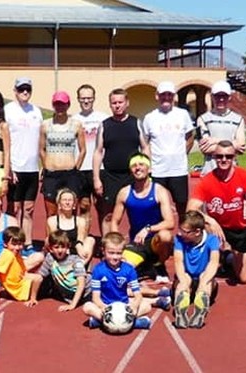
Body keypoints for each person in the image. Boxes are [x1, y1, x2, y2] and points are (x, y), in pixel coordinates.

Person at [187, 140, 246, 284]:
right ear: (214, 157)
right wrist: (210, 220)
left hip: (240, 228)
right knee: (203, 226)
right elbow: (190, 209)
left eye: (228, 156)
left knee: (245, 279)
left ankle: (227, 257)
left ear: (234, 158)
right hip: (217, 228)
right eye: (219, 156)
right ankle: (212, 254)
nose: (224, 160)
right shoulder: (207, 180)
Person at [82, 232, 168, 330]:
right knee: (87, 307)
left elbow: (138, 295)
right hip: (106, 306)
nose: (115, 257)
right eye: (111, 253)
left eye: (118, 253)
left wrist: (134, 307)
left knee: (147, 306)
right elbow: (96, 298)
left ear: (123, 252)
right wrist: (103, 308)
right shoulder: (98, 270)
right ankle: (134, 323)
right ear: (103, 251)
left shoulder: (129, 270)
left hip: (125, 305)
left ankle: (101, 322)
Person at [110, 153, 175, 283]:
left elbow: (170, 222)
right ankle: (144, 265)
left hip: (156, 242)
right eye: (134, 166)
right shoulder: (124, 192)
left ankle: (159, 265)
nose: (137, 168)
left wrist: (148, 229)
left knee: (166, 236)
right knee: (122, 274)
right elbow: (114, 221)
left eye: (141, 165)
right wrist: (116, 244)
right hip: (137, 242)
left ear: (149, 169)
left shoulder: (159, 191)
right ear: (130, 170)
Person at [92, 88, 148, 235]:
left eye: (120, 102)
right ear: (110, 105)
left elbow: (145, 147)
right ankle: (107, 244)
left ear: (127, 103)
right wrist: (96, 178)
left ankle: (137, 244)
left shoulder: (136, 123)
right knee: (108, 214)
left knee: (136, 212)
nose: (117, 105)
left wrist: (147, 169)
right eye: (114, 103)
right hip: (110, 176)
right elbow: (98, 152)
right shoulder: (105, 125)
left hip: (132, 176)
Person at [140, 81, 195, 215]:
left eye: (169, 94)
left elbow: (190, 137)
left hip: (178, 170)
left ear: (173, 96)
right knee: (157, 206)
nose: (166, 98)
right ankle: (158, 234)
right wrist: (149, 164)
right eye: (163, 95)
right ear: (157, 96)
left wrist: (182, 153)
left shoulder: (182, 115)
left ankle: (183, 233)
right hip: (158, 171)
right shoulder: (150, 118)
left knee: (182, 206)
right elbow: (145, 143)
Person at [4, 77, 44, 249]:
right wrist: (9, 168)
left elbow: (42, 140)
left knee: (28, 209)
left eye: (28, 89)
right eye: (21, 89)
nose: (25, 92)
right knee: (15, 209)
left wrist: (42, 165)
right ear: (15, 91)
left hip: (32, 167)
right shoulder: (8, 110)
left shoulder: (37, 111)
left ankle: (27, 243)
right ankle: (13, 241)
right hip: (15, 167)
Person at [39, 90, 86, 216]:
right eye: (57, 104)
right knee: (51, 212)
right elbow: (41, 149)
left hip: (70, 173)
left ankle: (71, 235)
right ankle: (52, 236)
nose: (60, 107)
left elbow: (83, 150)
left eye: (63, 104)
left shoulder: (76, 124)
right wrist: (45, 166)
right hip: (52, 174)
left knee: (71, 211)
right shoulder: (45, 125)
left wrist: (76, 168)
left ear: (68, 105)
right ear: (53, 105)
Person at [0, 227, 44, 309]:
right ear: (5, 244)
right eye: (14, 244)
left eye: (20, 244)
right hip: (21, 291)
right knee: (40, 278)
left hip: (21, 284)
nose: (17, 248)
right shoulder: (8, 256)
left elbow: (20, 271)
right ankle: (32, 299)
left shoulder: (15, 254)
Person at [172, 211, 220, 329]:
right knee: (183, 283)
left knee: (206, 280)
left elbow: (213, 263)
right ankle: (181, 311)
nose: (181, 233)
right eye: (180, 230)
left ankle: (200, 308)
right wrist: (183, 281)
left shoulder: (212, 240)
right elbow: (178, 262)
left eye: (185, 232)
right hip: (187, 274)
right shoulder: (179, 240)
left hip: (203, 276)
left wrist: (203, 283)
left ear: (197, 232)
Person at [196, 80, 246, 176]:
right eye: (217, 96)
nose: (221, 99)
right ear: (212, 97)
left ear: (229, 97)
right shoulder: (202, 119)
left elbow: (241, 146)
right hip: (209, 172)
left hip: (232, 173)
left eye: (224, 96)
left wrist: (215, 140)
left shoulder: (238, 119)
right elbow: (205, 148)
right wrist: (232, 144)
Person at [72, 84, 108, 217]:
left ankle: (105, 237)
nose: (86, 101)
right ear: (78, 99)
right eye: (83, 98)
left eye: (89, 98)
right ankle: (83, 236)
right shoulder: (73, 120)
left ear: (94, 98)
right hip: (81, 169)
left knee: (102, 206)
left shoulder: (103, 118)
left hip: (100, 168)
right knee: (84, 206)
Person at [36, 230, 90, 312]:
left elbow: (81, 284)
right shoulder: (50, 258)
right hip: (68, 295)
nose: (60, 250)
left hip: (88, 292)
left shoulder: (75, 260)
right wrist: (33, 298)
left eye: (63, 247)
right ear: (50, 249)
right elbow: (39, 277)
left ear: (68, 247)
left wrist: (72, 305)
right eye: (56, 247)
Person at [46, 188, 95, 262]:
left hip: (76, 252)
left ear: (74, 205)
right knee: (47, 240)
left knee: (90, 240)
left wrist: (77, 245)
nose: (67, 202)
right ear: (59, 204)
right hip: (60, 251)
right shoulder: (52, 221)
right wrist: (68, 248)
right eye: (64, 200)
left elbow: (80, 241)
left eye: (70, 200)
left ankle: (80, 266)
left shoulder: (80, 221)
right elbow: (55, 240)